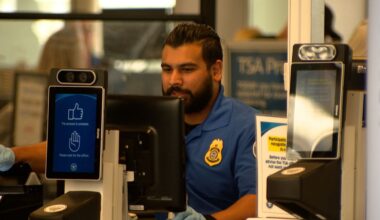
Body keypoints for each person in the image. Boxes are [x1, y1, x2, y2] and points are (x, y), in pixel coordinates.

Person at [0, 23, 259, 219]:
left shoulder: (246, 125)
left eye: (187, 70)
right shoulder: (148, 117)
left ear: (216, 71)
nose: (174, 80)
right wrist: (12, 155)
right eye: (167, 69)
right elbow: (71, 151)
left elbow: (257, 198)